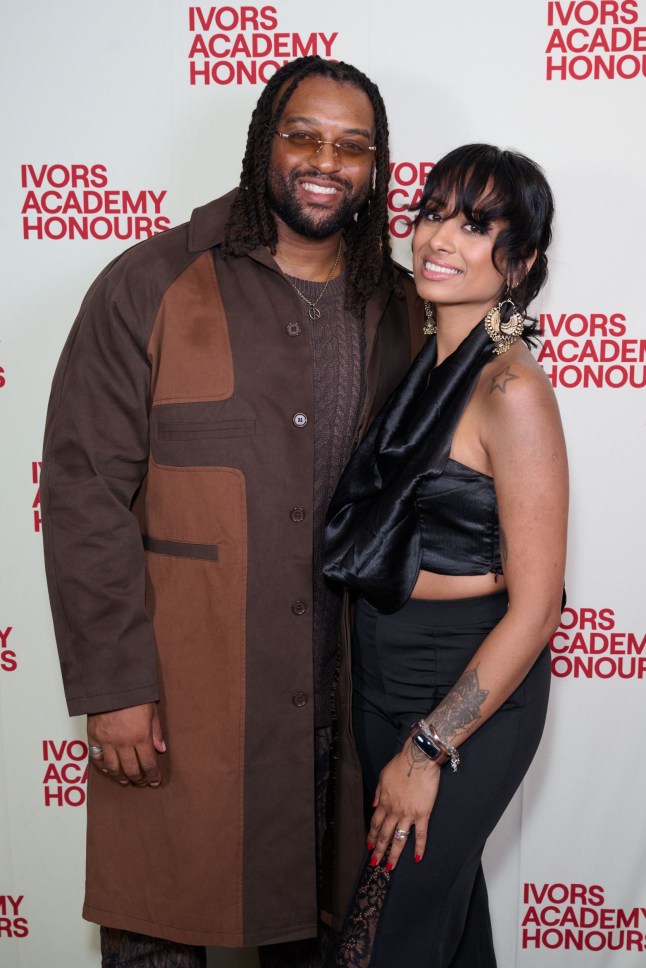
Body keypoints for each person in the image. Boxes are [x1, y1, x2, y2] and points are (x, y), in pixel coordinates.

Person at [41, 56, 424, 967]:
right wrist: (115, 688)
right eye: (303, 135)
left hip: (341, 709)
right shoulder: (152, 282)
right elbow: (86, 486)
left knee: (318, 938)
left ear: (376, 169)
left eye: (352, 146)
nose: (325, 160)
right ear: (263, 145)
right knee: (159, 936)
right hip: (182, 702)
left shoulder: (402, 305)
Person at [322, 144, 568, 967]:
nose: (439, 238)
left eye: (476, 225)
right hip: (380, 677)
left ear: (521, 262)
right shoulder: (422, 366)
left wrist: (429, 750)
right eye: (433, 212)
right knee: (447, 930)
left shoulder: (512, 391)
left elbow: (537, 610)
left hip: (468, 695)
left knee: (380, 944)